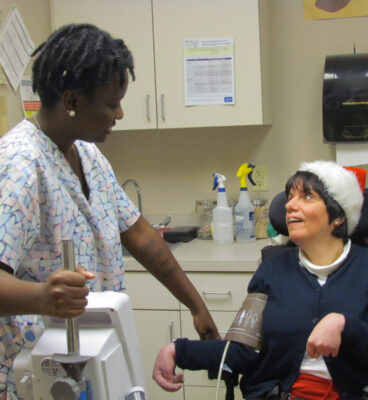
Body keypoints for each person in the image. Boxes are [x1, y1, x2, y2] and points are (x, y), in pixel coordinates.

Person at [0, 23, 218, 399]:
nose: (119, 113)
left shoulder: (88, 155)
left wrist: (195, 304)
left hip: (93, 358)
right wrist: (41, 297)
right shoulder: (20, 165)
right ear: (71, 101)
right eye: (111, 103)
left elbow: (138, 233)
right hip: (39, 371)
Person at [153, 160, 368, 400]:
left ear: (338, 216)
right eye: (290, 197)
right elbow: (243, 350)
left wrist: (345, 327)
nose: (291, 205)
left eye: (307, 197)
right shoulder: (271, 271)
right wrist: (177, 350)